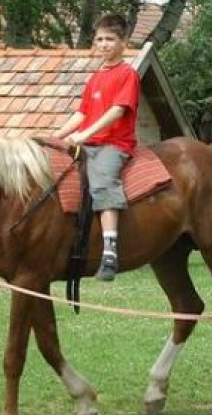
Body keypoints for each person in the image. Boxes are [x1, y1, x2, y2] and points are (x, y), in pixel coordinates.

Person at [51, 13, 140, 282]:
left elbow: (117, 111)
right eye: (99, 39)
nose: (103, 44)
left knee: (102, 183)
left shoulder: (128, 74)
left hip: (114, 144)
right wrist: (58, 135)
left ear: (123, 42)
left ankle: (111, 249)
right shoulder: (95, 77)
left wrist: (85, 133)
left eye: (110, 39)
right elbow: (81, 113)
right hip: (88, 142)